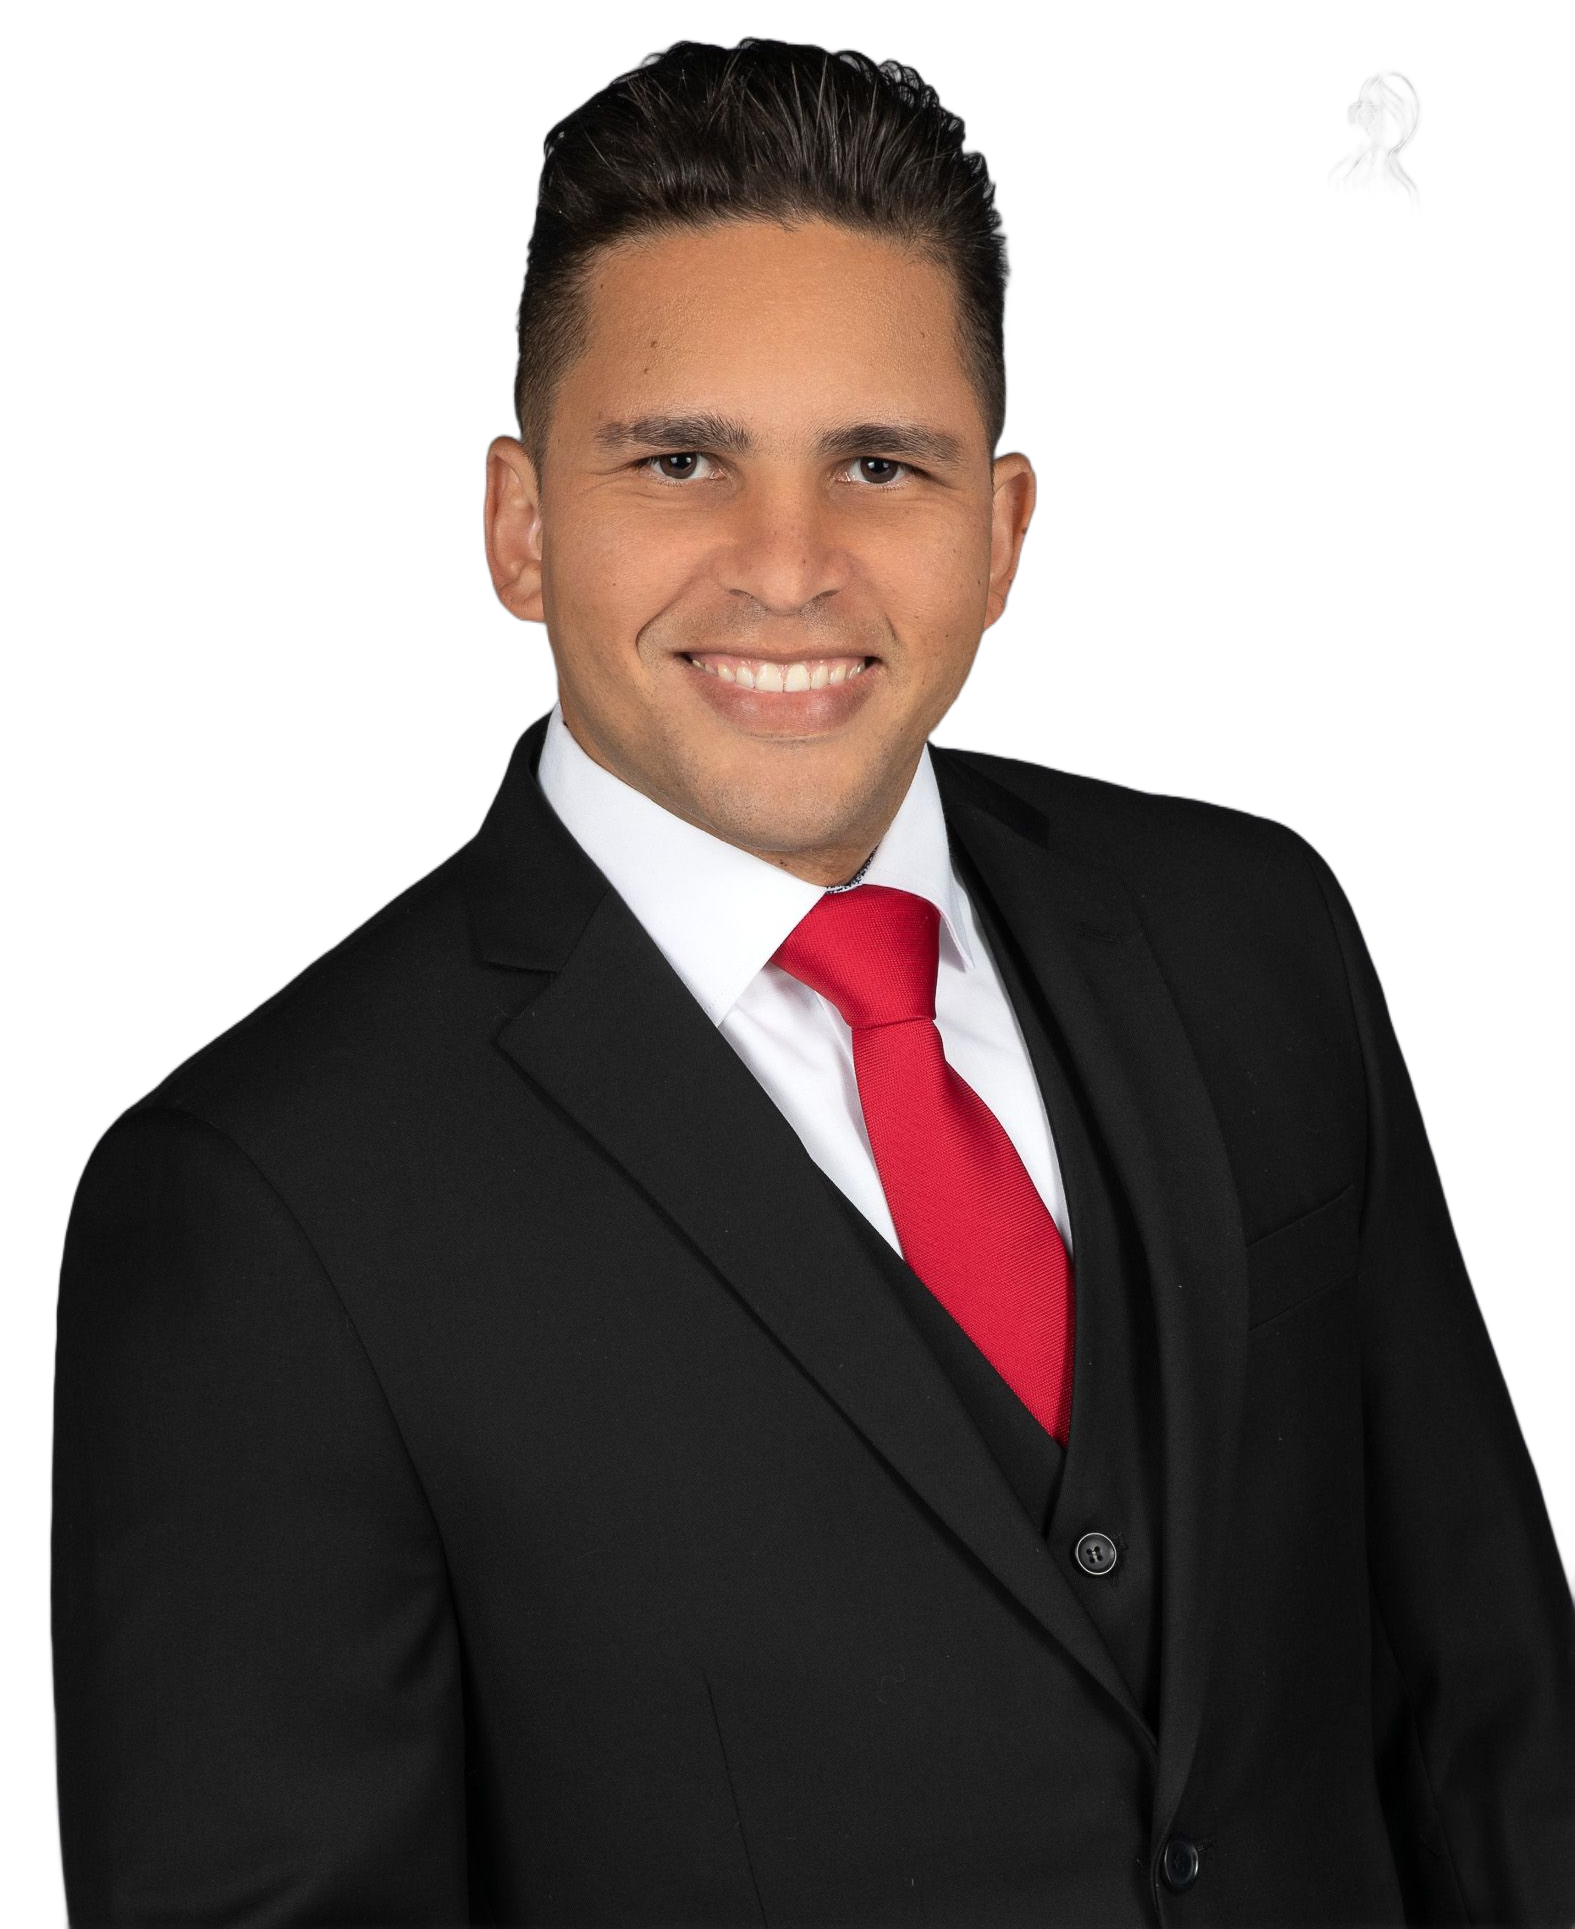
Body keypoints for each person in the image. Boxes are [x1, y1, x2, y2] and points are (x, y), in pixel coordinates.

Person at [50, 36, 1572, 1927]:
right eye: (679, 461)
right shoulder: (255, 1205)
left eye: (877, 464)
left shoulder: (1252, 927)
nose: (788, 569)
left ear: (999, 531)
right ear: (520, 526)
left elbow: (1494, 1702)